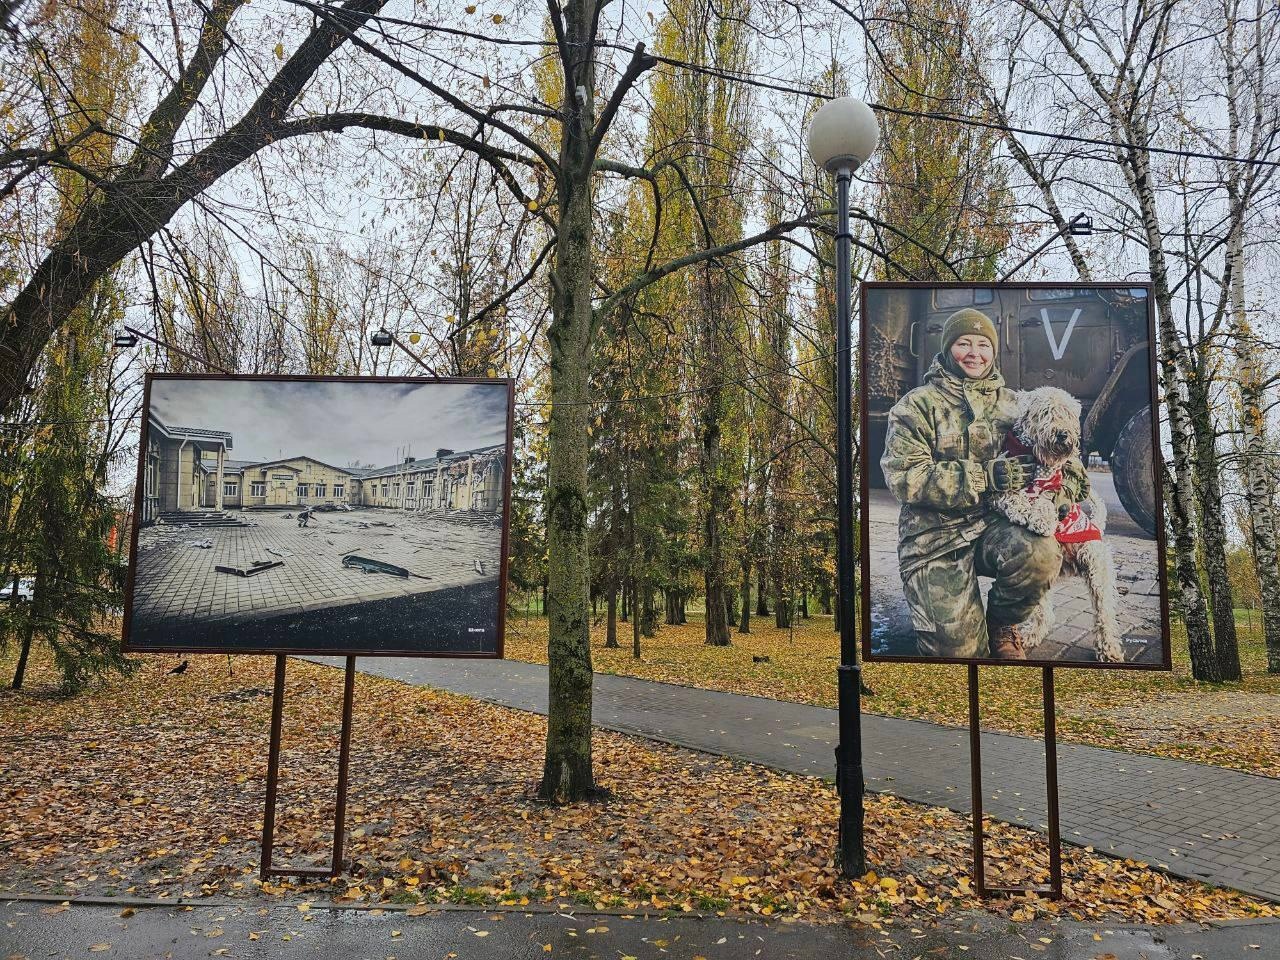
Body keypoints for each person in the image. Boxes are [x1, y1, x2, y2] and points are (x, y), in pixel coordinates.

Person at [880, 308, 1083, 660]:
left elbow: (1071, 462)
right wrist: (985, 476)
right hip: (934, 539)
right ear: (946, 349)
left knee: (1041, 552)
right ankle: (959, 621)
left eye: (982, 344)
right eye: (963, 343)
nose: (974, 353)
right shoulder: (915, 407)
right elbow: (905, 478)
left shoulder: (1017, 405)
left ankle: (1003, 622)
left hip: (995, 527)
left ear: (993, 351)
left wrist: (1061, 494)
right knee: (958, 653)